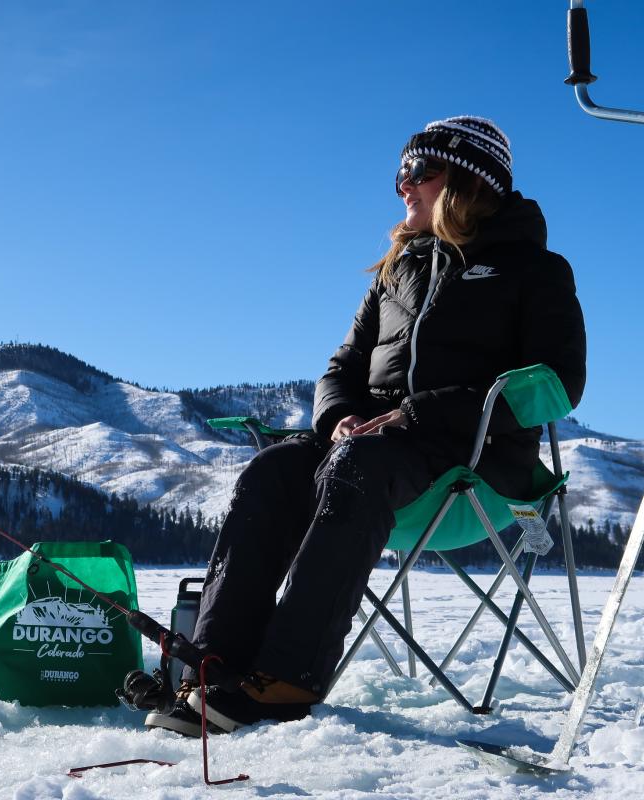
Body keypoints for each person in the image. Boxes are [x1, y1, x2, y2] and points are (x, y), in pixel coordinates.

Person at [146, 116, 586, 737]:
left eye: (418, 170)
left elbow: (558, 382)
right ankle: (215, 667)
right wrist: (339, 415)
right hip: (371, 454)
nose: (402, 185)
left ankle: (288, 679)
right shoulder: (396, 271)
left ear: (469, 180)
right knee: (274, 468)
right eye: (400, 173)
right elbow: (342, 368)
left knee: (359, 464)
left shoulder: (535, 270)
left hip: (473, 465)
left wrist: (416, 412)